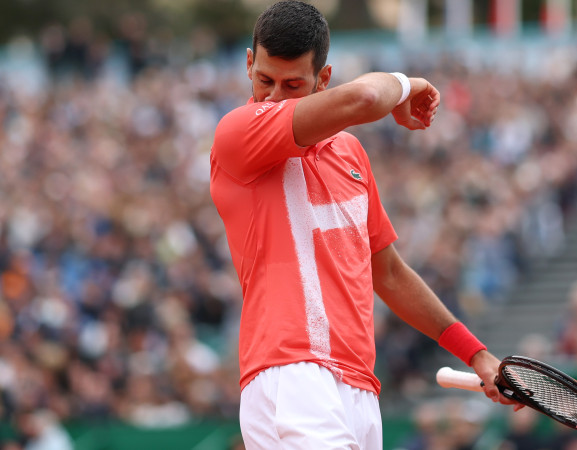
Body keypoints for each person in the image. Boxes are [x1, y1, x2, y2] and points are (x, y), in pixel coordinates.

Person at [209, 1, 521, 448]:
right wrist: (411, 84)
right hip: (290, 374)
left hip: (359, 384)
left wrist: (476, 354)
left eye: (292, 84)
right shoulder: (237, 132)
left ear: (323, 79)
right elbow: (367, 98)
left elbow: (389, 273)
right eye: (264, 80)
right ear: (248, 64)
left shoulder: (350, 154)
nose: (274, 97)